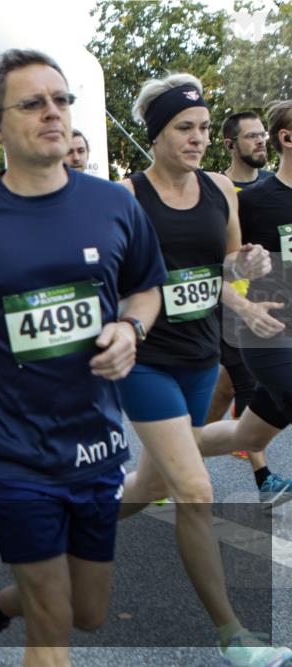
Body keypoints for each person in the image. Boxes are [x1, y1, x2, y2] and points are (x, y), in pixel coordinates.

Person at [0, 49, 166, 667]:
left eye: (61, 100)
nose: (53, 113)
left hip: (96, 445)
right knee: (53, 626)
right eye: (33, 103)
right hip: (14, 451)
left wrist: (131, 328)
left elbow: (148, 288)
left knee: (86, 611)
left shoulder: (113, 204)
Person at [115, 74, 290, 667]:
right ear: (156, 134)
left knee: (149, 486)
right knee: (194, 489)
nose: (198, 139)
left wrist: (249, 266)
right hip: (146, 361)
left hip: (199, 356)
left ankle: (68, 527)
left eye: (204, 128)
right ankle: (233, 636)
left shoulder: (220, 189)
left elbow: (228, 263)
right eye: (184, 128)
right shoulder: (127, 197)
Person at [198, 100, 292, 504]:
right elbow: (217, 264)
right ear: (287, 138)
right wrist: (243, 275)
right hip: (261, 328)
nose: (258, 142)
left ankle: (171, 455)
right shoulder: (251, 200)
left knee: (245, 431)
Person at [222, 111, 275, 189]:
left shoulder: (275, 183)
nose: (261, 141)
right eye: (251, 136)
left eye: (263, 135)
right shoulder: (215, 188)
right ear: (230, 145)